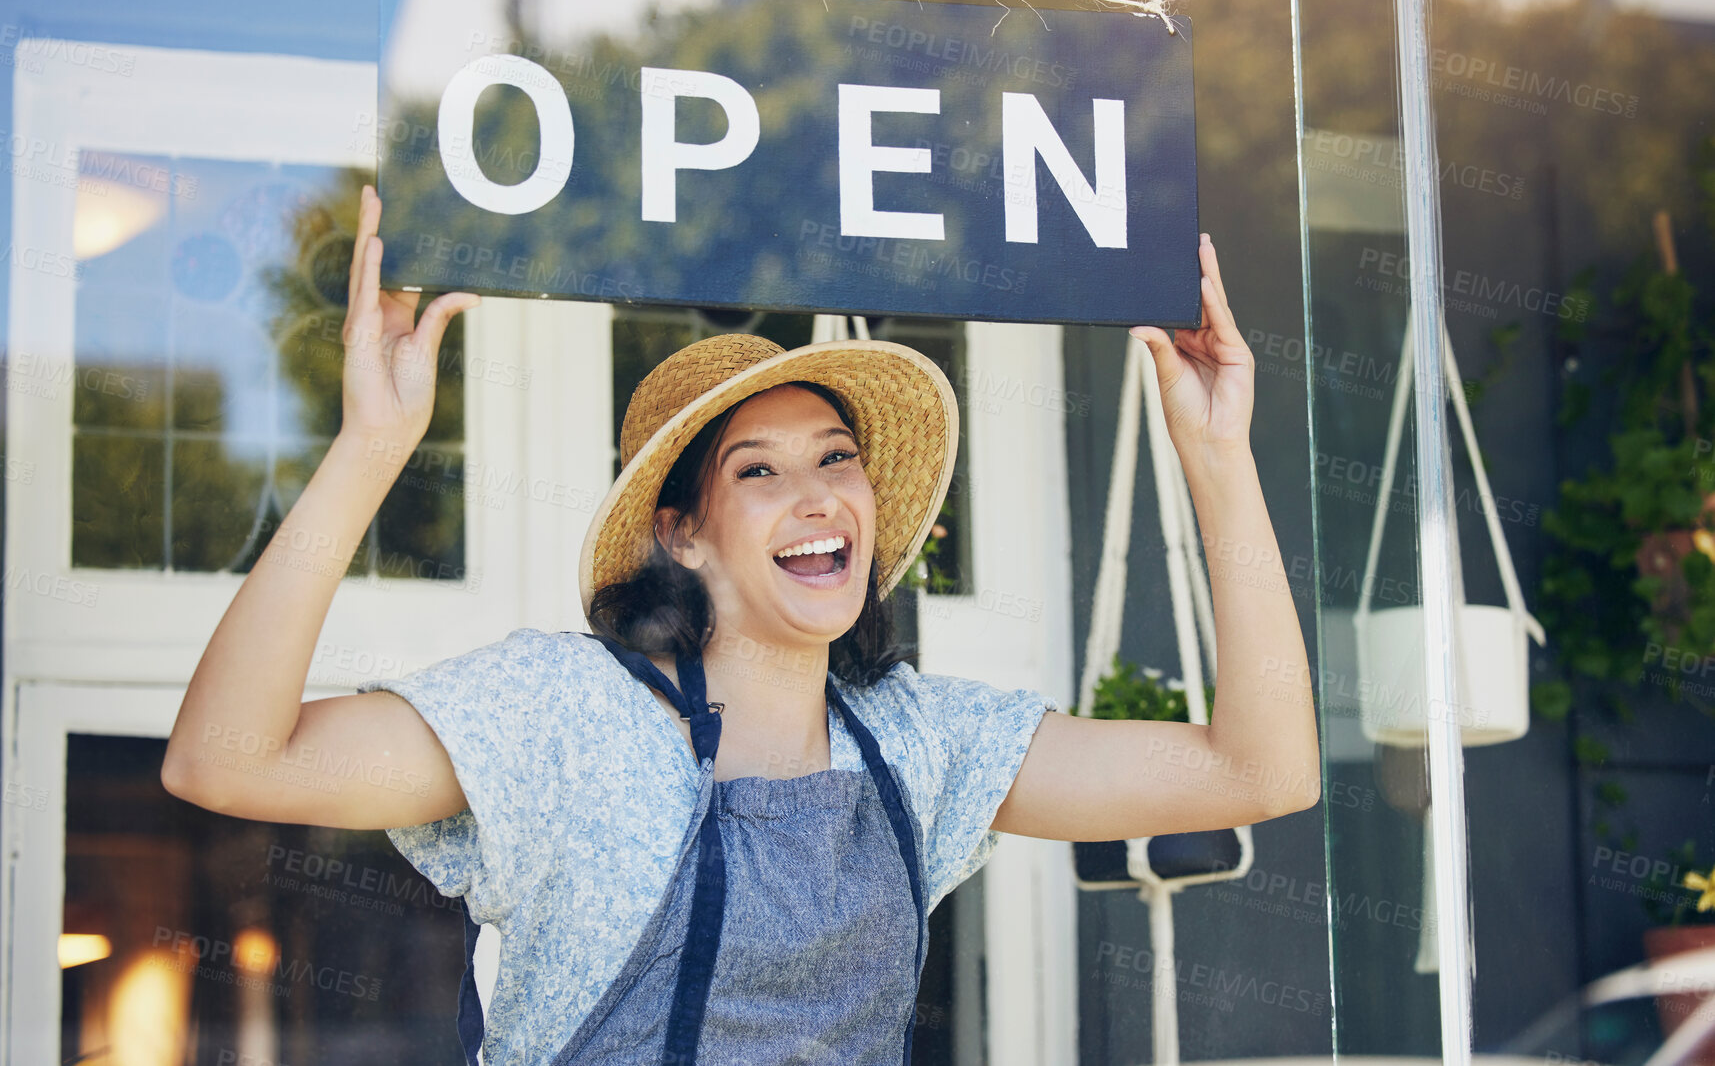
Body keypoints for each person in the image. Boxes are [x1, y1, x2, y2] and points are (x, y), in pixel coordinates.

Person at [163, 184, 1319, 1065]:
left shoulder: (917, 744)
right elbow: (226, 757)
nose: (818, 494)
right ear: (683, 535)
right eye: (758, 471)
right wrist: (370, 446)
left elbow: (1259, 771)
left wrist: (1216, 456)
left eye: (837, 458)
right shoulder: (565, 715)